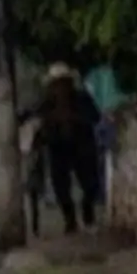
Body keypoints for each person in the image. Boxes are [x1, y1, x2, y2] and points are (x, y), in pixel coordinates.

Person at [23, 63, 103, 233]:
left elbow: (95, 116)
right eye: (56, 84)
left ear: (69, 83)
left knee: (90, 184)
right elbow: (33, 115)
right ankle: (70, 220)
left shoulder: (81, 98)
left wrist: (74, 118)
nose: (60, 88)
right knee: (61, 186)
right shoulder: (48, 103)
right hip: (58, 148)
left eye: (63, 83)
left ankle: (88, 213)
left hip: (82, 146)